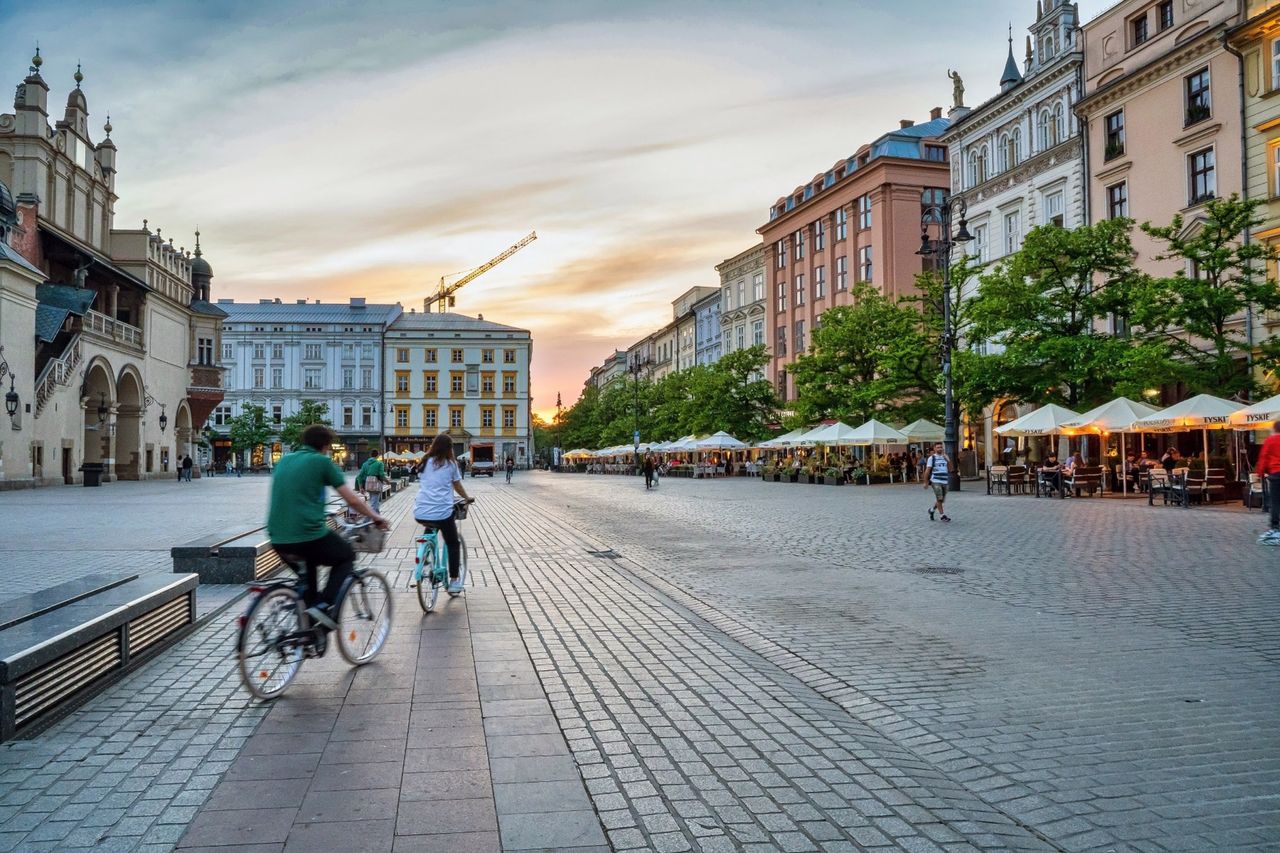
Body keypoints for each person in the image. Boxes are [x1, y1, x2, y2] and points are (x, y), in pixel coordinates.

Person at [266, 425, 388, 651]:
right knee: (346, 555)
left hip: (278, 538)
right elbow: (352, 500)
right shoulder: (322, 462)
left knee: (308, 585)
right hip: (308, 534)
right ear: (326, 445)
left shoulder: (284, 460)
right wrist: (375, 517)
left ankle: (309, 634)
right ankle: (325, 608)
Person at [414, 433, 473, 593]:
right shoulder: (451, 464)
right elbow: (457, 486)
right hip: (442, 511)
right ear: (449, 448)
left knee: (430, 524)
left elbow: (427, 482)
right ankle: (454, 581)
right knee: (453, 543)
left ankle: (425, 555)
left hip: (420, 510)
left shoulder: (425, 462)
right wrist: (467, 498)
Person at [1257, 422, 1280, 545]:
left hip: (1276, 474)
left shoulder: (1270, 440)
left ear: (1274, 429)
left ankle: (1275, 527)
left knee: (1275, 502)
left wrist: (1260, 472)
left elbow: (1264, 457)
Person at [922, 442, 952, 522]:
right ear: (934, 449)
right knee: (939, 498)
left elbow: (950, 469)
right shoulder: (932, 458)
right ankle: (942, 516)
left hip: (945, 481)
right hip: (935, 481)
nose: (940, 449)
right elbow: (927, 471)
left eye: (941, 447)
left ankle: (931, 510)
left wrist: (948, 460)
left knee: (941, 500)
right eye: (938, 447)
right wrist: (926, 482)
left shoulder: (945, 457)